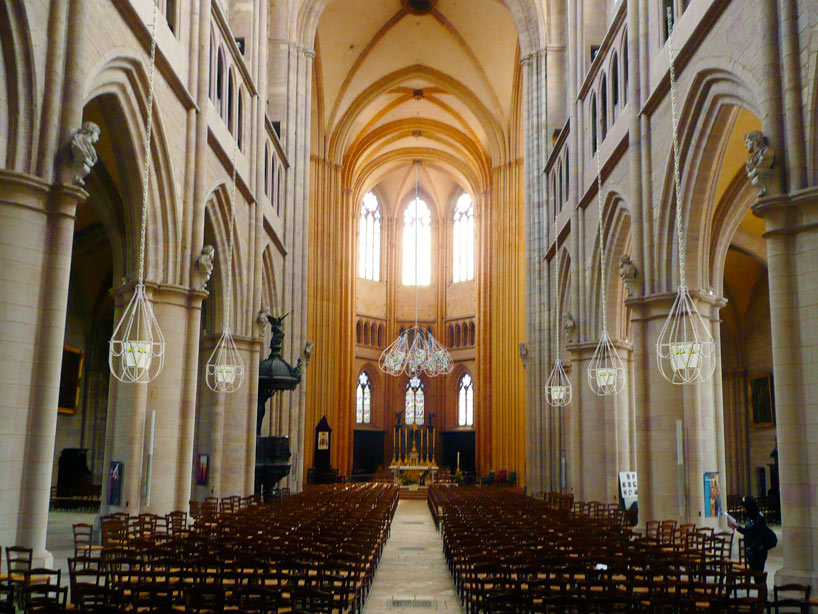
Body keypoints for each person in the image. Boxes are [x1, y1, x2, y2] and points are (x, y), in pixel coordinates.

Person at [727, 496, 769, 572]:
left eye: (744, 508)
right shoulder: (750, 517)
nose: (743, 510)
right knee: (754, 574)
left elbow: (761, 536)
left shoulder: (759, 518)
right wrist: (737, 527)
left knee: (758, 575)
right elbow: (748, 532)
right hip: (751, 552)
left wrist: (753, 548)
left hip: (758, 553)